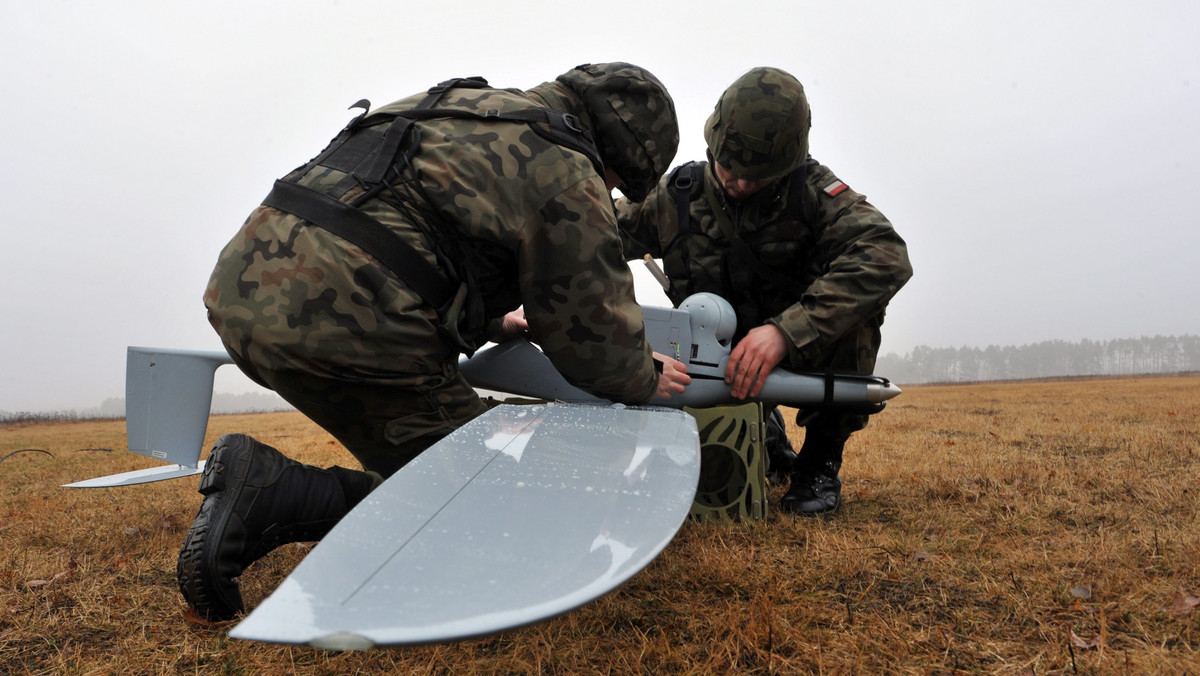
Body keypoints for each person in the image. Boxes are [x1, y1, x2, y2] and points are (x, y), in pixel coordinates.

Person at [179, 63, 691, 621]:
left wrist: (494, 321)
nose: (609, 190)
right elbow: (592, 337)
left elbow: (410, 222)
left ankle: (282, 489)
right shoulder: (568, 168)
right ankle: (269, 490)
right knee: (495, 508)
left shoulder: (462, 106)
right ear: (623, 155)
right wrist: (644, 373)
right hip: (348, 318)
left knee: (430, 465)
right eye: (617, 182)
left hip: (242, 291)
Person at [616, 67, 912, 516]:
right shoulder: (675, 197)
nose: (739, 182)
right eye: (729, 167)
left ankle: (818, 463)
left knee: (859, 318)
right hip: (710, 357)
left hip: (796, 353)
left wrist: (786, 332)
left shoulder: (816, 194)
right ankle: (763, 435)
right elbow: (598, 234)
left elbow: (885, 254)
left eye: (757, 176)